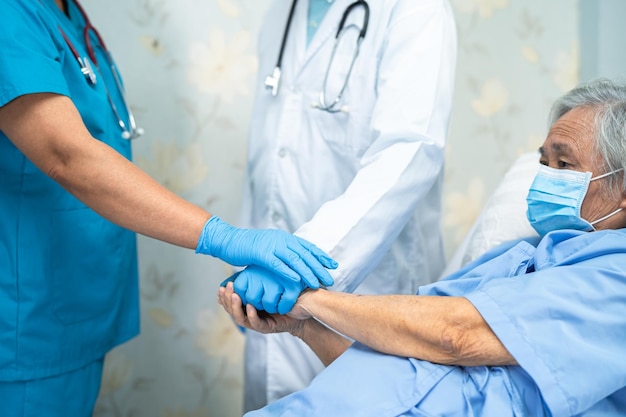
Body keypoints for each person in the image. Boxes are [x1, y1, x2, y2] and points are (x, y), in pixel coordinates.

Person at [0, 0, 337, 415]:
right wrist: (221, 237)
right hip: (25, 318)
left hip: (72, 304)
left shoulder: (66, 12)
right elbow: (67, 154)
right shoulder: (10, 14)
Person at [220, 78, 626, 416]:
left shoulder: (613, 280)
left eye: (564, 165)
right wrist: (303, 327)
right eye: (543, 162)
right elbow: (393, 372)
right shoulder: (513, 258)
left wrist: (310, 300)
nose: (545, 177)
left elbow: (455, 336)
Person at [234, 0, 457, 409]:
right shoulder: (284, 12)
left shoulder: (416, 9)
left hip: (369, 295)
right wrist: (245, 257)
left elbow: (409, 150)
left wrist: (302, 264)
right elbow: (268, 154)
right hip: (271, 294)